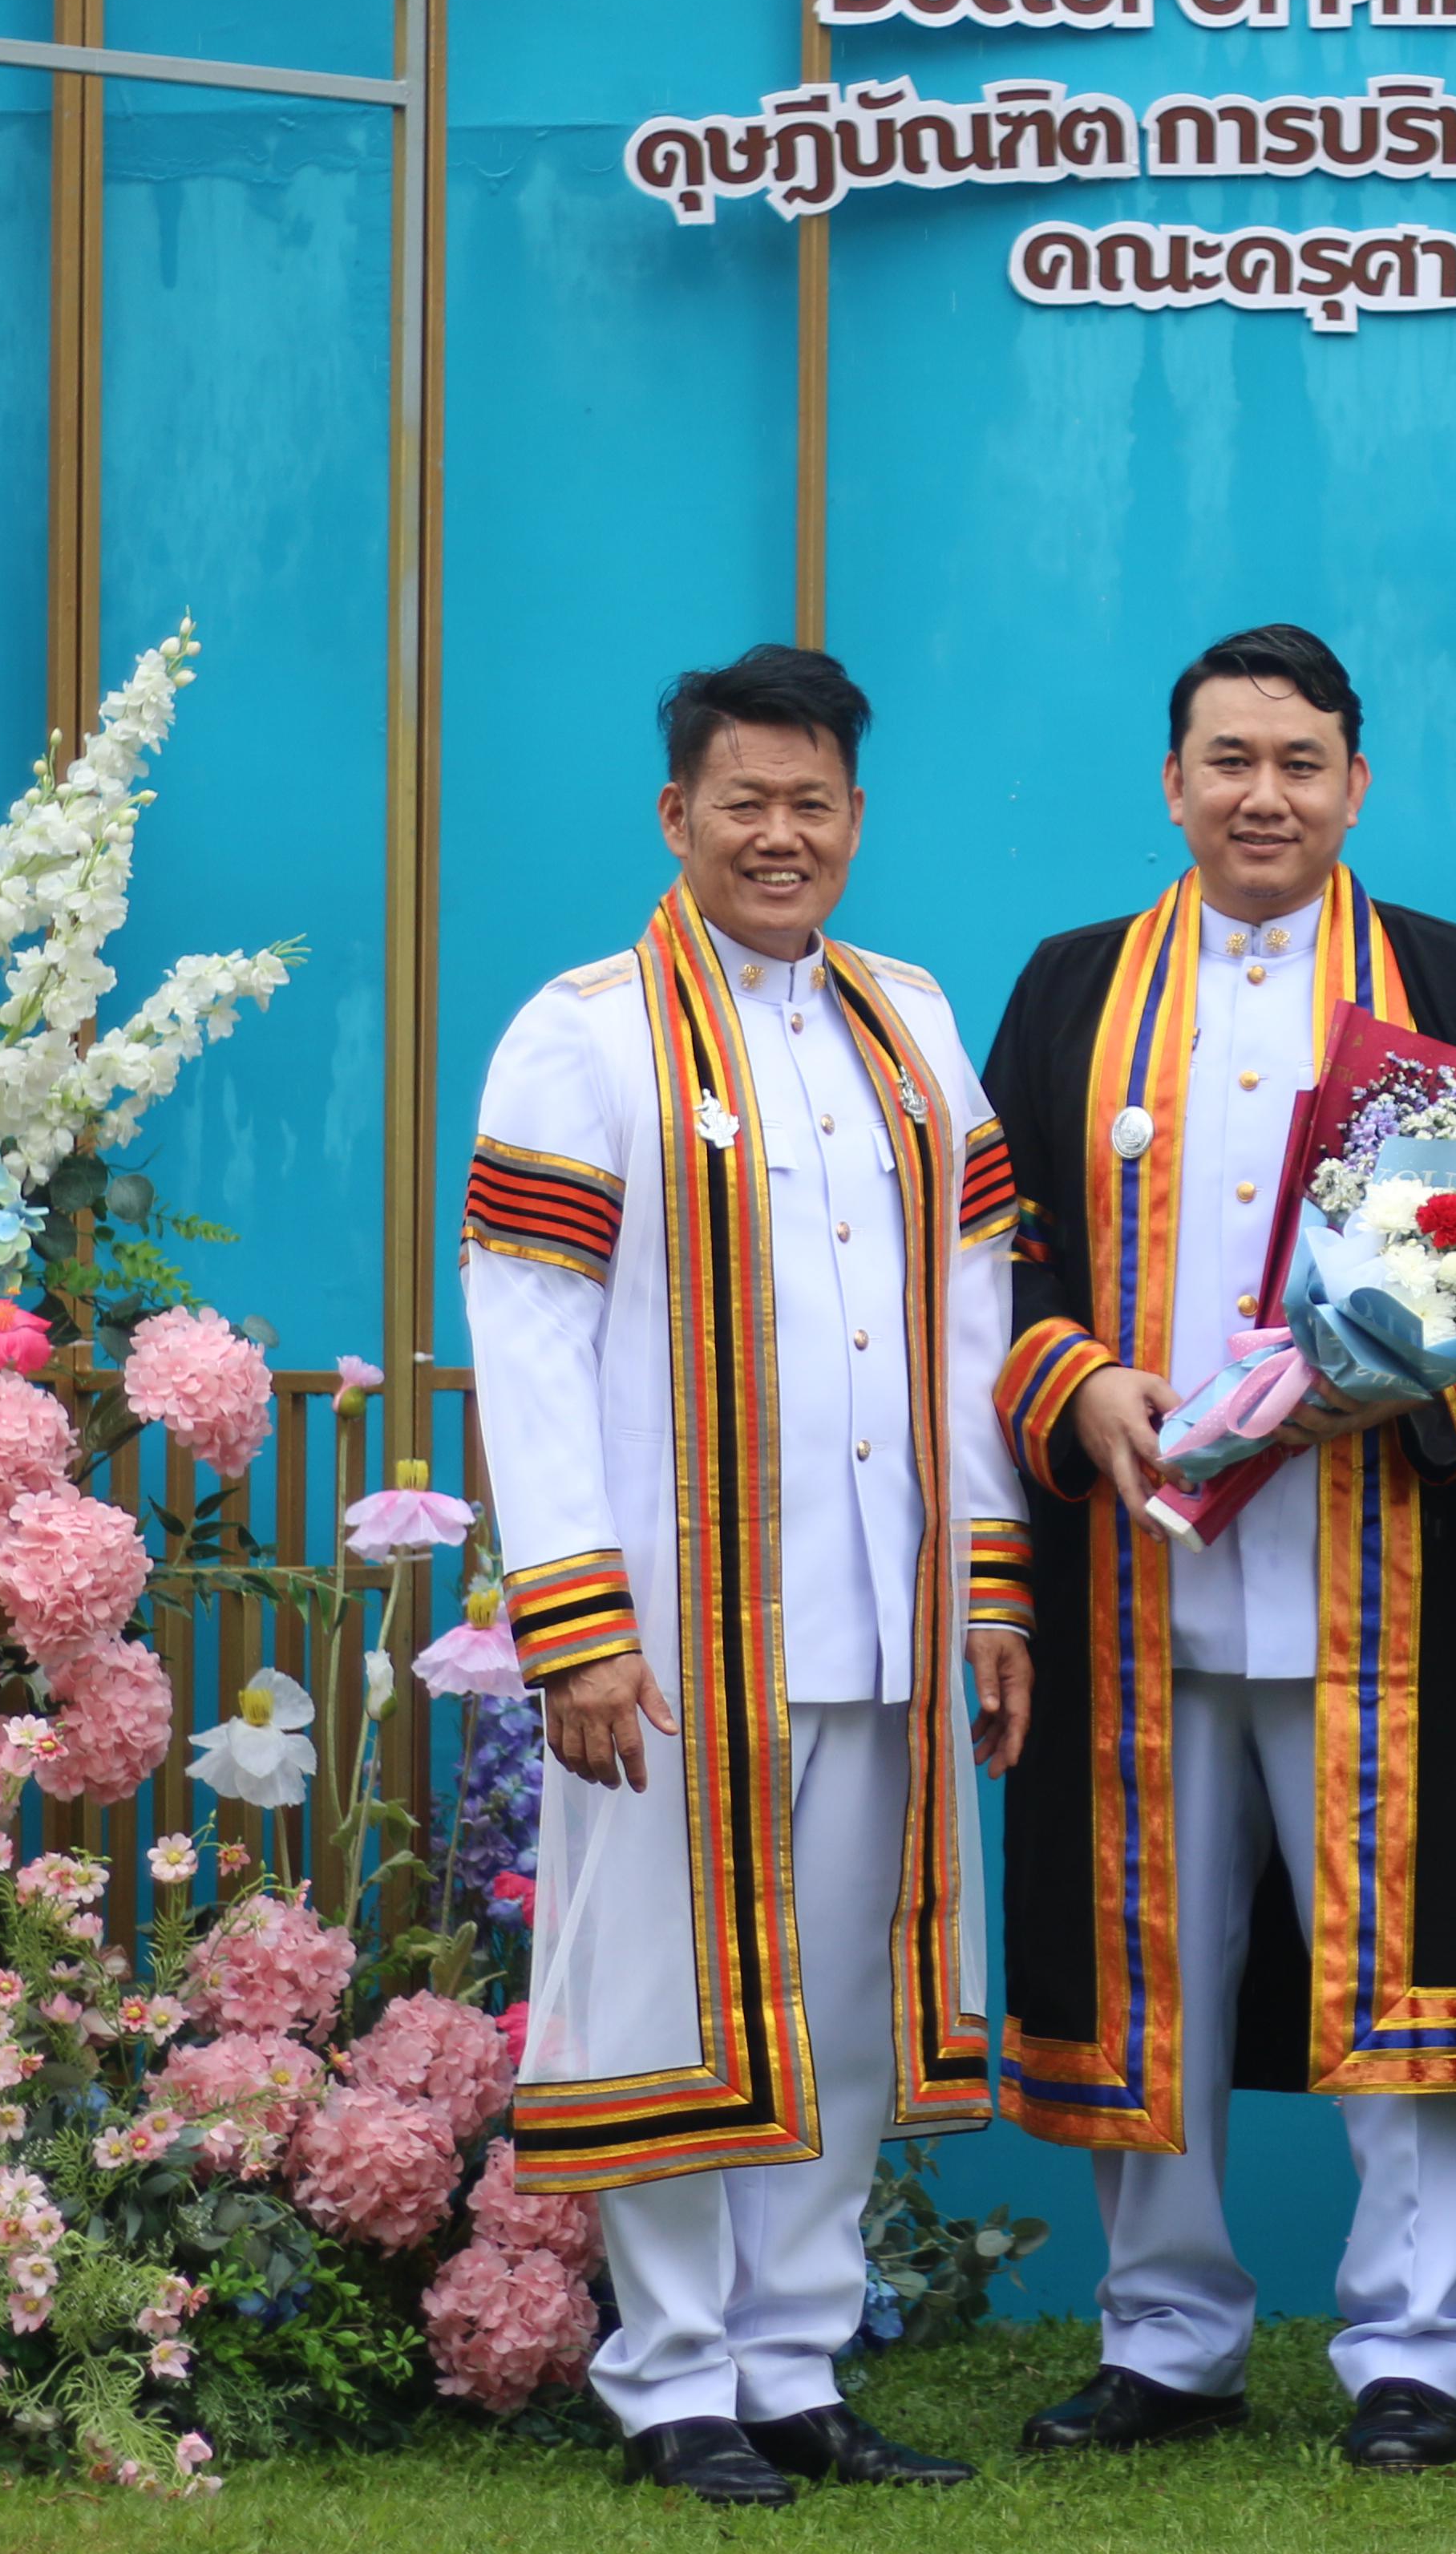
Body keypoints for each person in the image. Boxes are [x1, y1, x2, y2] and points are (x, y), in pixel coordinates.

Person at [979, 625, 1456, 2472]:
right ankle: (1166, 2338)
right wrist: (1073, 1385)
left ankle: (1417, 2350)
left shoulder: (1451, 980)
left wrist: (1409, 1371)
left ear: (1355, 785)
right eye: (1229, 759)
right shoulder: (1074, 988)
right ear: (1174, 782)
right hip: (1139, 1579)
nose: (1264, 793)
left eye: (1300, 761)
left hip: (1382, 1566)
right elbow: (996, 1261)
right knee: (1153, 1958)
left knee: (1406, 1966)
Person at [460, 645, 1036, 2506]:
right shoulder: (588, 1030)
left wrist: (996, 1585)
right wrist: (574, 1622)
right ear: (677, 816)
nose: (779, 836)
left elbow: (971, 1318)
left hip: (882, 1608)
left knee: (844, 2008)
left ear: (855, 820)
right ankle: (669, 2382)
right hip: (679, 1627)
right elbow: (527, 1339)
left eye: (813, 805)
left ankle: (799, 2366)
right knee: (672, 1998)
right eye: (744, 804)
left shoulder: (916, 1028)